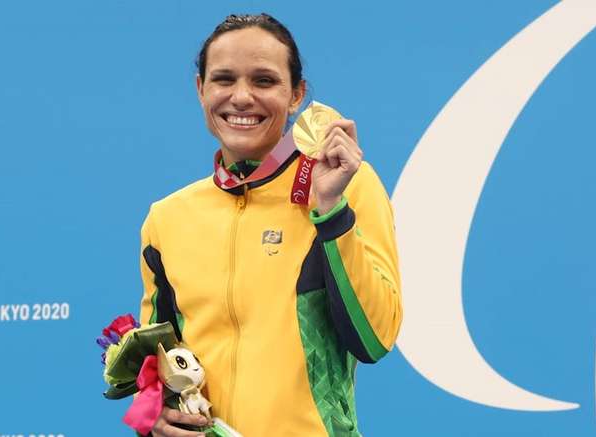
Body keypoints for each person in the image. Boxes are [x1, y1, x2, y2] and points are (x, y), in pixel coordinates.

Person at [138, 13, 402, 437]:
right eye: (223, 79)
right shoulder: (167, 218)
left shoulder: (345, 183)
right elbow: (157, 356)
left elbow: (374, 339)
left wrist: (331, 209)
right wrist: (151, 412)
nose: (241, 97)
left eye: (264, 81)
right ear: (200, 88)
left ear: (296, 94)